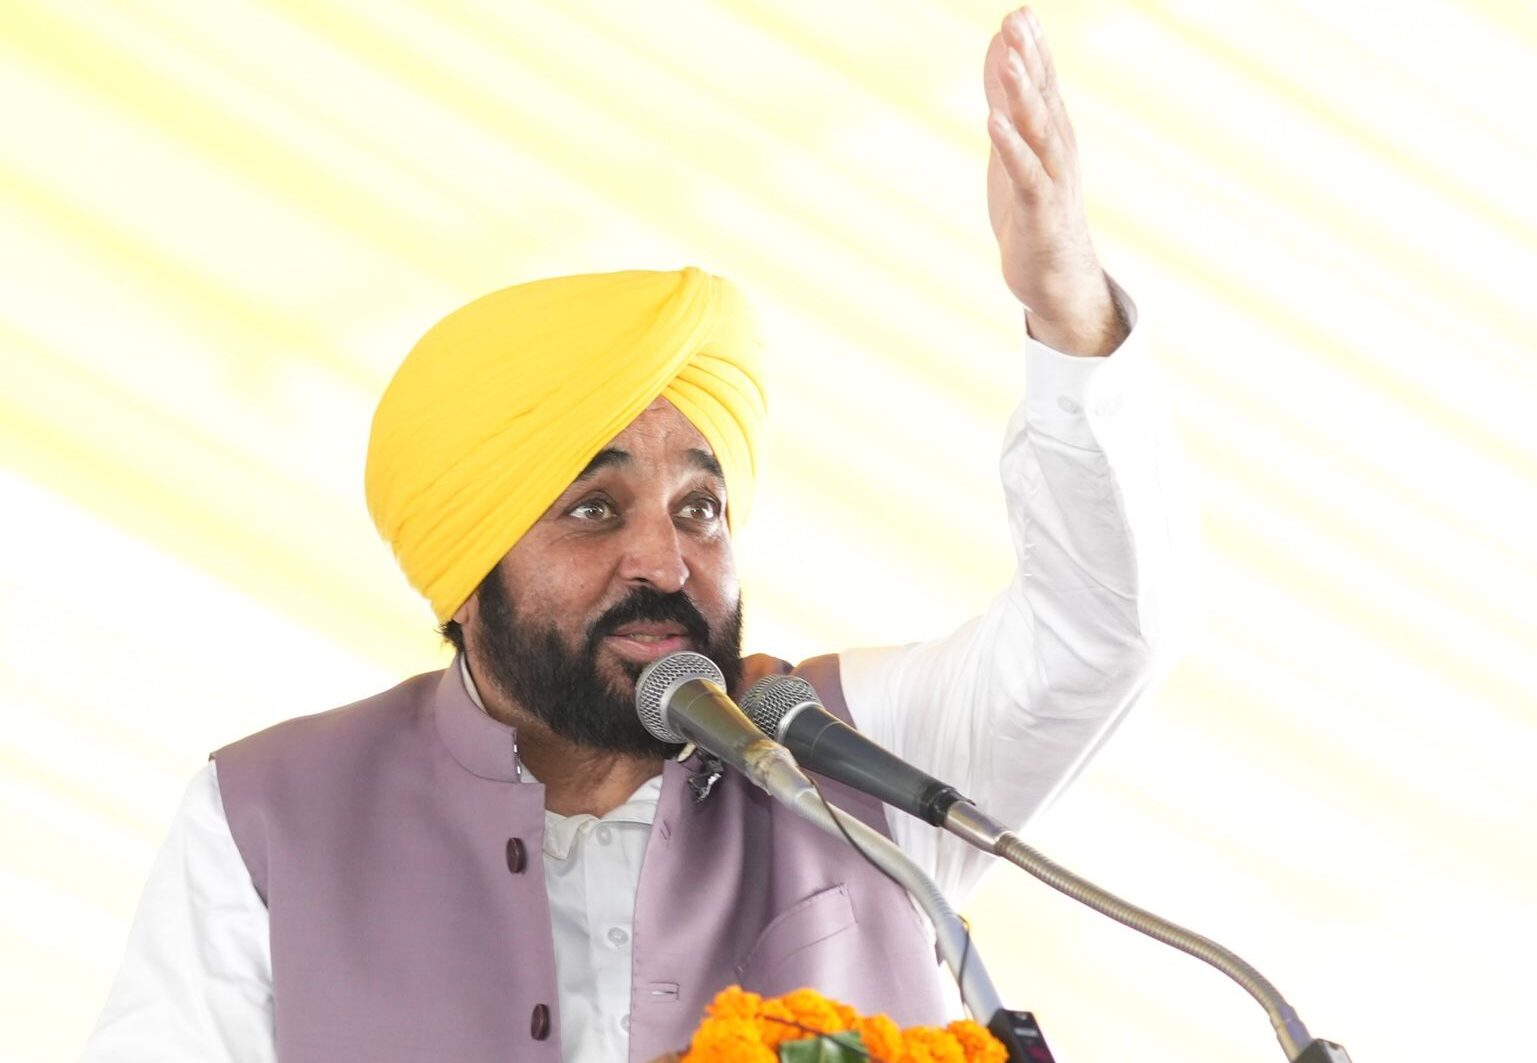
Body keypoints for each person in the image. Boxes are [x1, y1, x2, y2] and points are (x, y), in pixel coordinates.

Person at [80, 8, 1191, 1063]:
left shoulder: (846, 755)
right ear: (464, 570)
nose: (665, 563)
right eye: (593, 510)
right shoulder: (271, 814)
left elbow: (1100, 633)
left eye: (698, 509)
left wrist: (1068, 312)